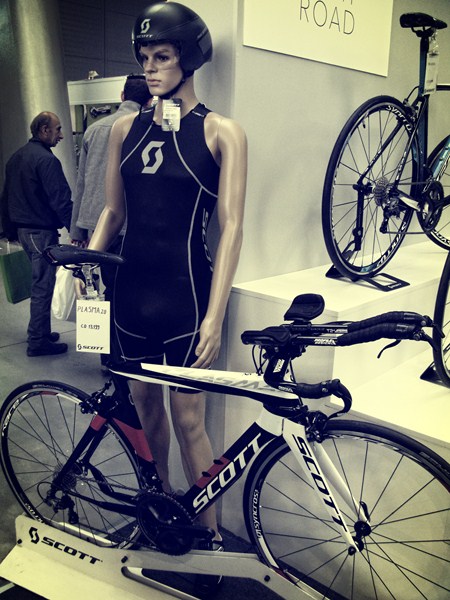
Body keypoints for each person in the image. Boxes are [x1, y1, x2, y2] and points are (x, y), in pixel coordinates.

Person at [82, 1, 247, 591]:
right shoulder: (123, 129)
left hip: (187, 297)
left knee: (189, 420)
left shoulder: (223, 132)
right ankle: (162, 511)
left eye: (162, 57)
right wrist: (88, 262)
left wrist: (216, 315)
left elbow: (231, 226)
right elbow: (113, 211)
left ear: (189, 59)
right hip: (130, 294)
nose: (150, 68)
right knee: (146, 410)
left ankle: (211, 537)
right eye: (145, 58)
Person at [2, 112, 72, 356]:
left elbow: (5, 197)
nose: (61, 135)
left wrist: (9, 231)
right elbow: (60, 199)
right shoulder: (46, 160)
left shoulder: (16, 157)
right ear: (44, 130)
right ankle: (37, 341)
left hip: (23, 231)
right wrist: (75, 231)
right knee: (43, 285)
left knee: (40, 283)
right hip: (40, 232)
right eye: (57, 129)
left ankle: (41, 332)